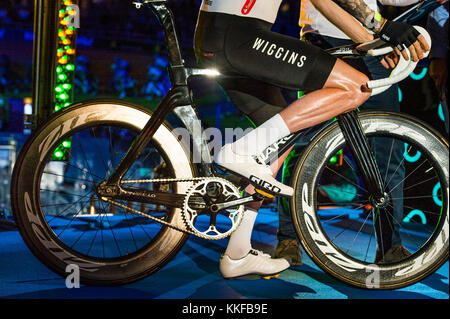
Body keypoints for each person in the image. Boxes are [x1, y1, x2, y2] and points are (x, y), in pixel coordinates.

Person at [194, 0, 429, 279]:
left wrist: (373, 37)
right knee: (354, 87)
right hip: (241, 36)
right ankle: (242, 154)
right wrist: (377, 31)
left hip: (228, 33)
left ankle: (237, 253)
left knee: (281, 138)